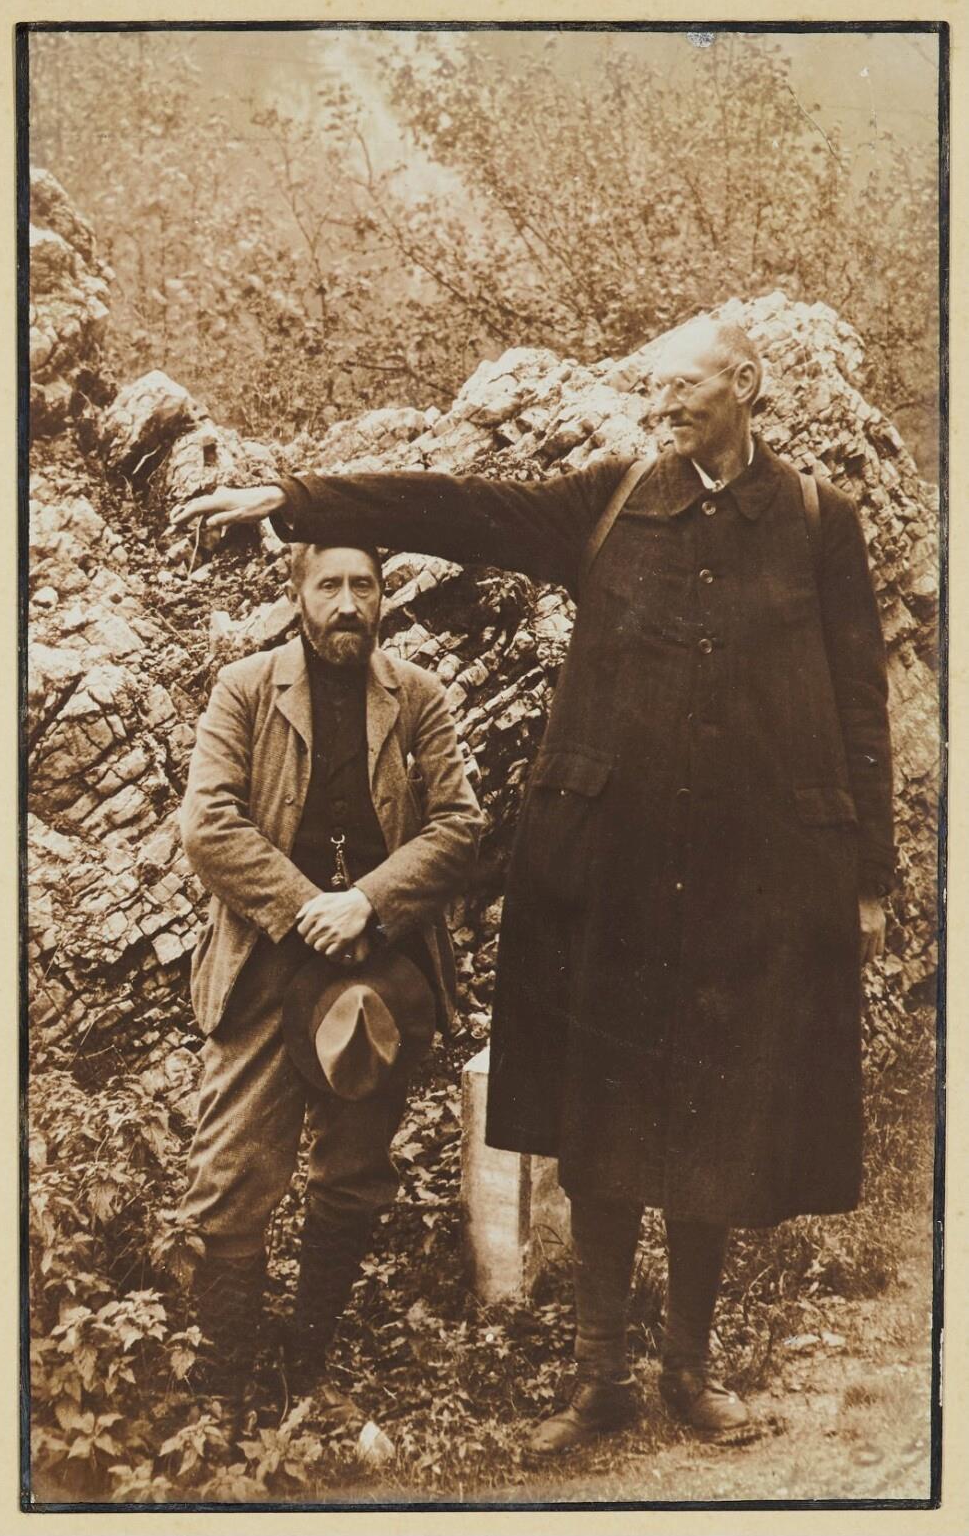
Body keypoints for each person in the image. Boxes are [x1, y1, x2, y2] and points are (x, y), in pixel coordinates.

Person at [172, 316, 893, 1454]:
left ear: (745, 385)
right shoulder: (612, 501)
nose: (661, 405)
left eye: (682, 386)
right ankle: (598, 1377)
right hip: (607, 876)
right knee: (601, 1120)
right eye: (653, 388)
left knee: (716, 1123)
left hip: (749, 880)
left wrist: (866, 878)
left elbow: (860, 702)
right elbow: (460, 507)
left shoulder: (815, 520)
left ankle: (689, 1370)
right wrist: (298, 500)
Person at [176, 539, 483, 1436]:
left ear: (384, 596)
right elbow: (208, 824)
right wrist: (310, 906)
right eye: (329, 585)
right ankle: (222, 1386)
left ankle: (306, 1369)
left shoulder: (416, 696)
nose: (348, 603)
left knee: (353, 1173)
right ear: (298, 594)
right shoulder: (244, 689)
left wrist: (368, 905)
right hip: (268, 959)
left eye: (364, 585)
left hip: (378, 969)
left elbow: (460, 826)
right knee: (231, 1171)